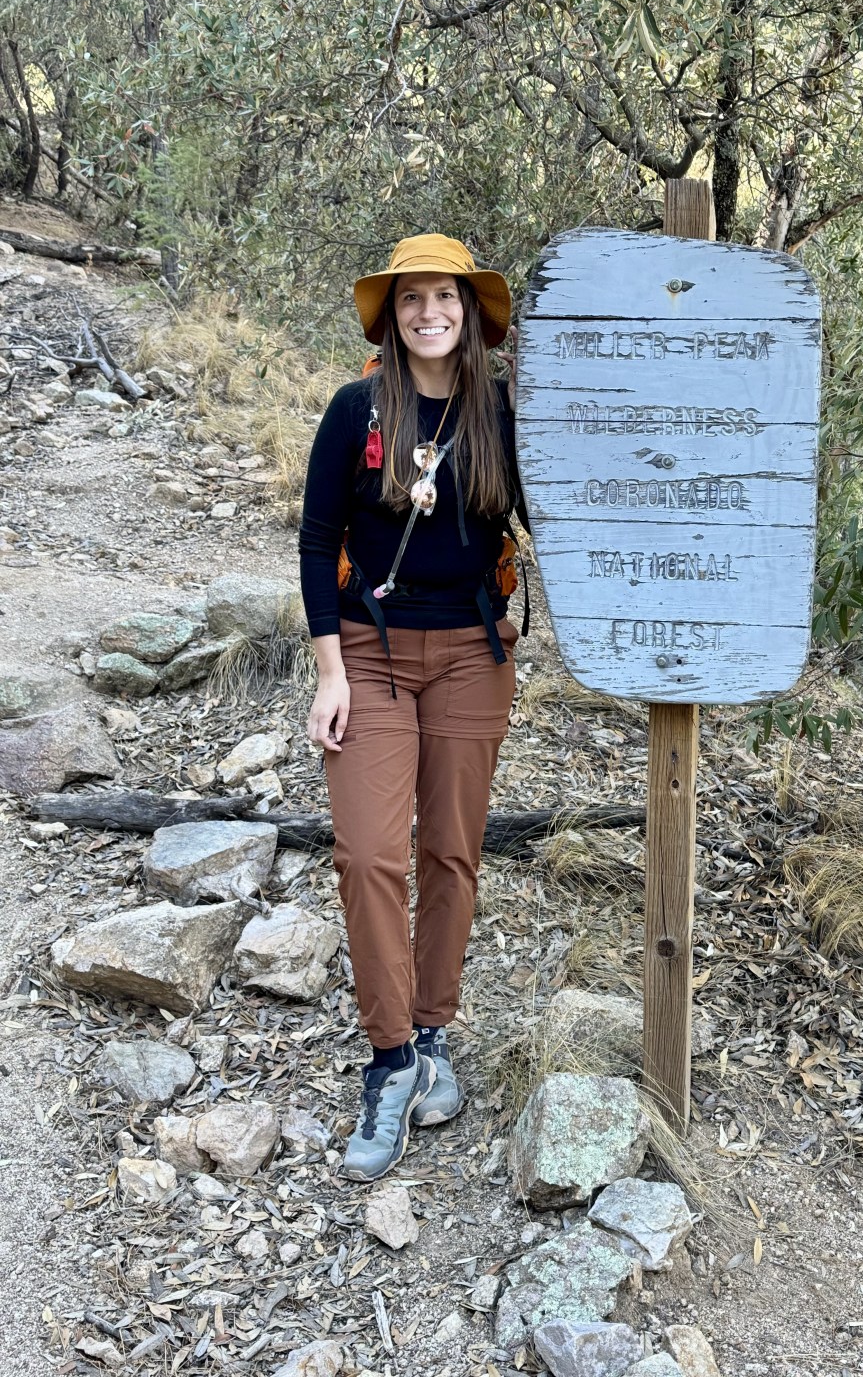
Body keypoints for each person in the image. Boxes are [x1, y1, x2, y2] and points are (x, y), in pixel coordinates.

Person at [297, 233, 525, 1182]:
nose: (429, 313)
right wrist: (329, 673)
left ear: (470, 311)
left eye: (445, 297)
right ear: (390, 317)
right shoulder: (358, 411)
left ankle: (432, 1034)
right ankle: (389, 1061)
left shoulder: (503, 411)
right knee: (368, 854)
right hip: (372, 653)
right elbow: (316, 540)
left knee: (450, 853)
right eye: (411, 300)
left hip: (474, 652)